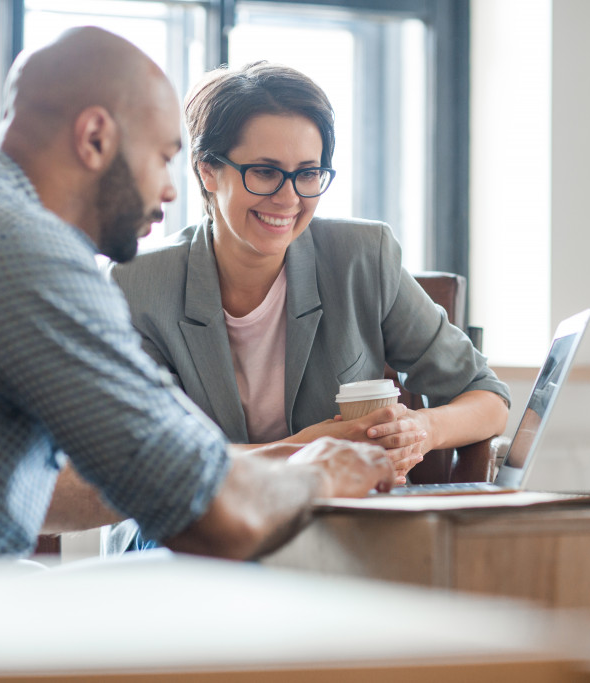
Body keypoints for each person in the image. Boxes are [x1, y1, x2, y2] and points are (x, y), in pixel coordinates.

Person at [0, 27, 393, 559]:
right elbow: (213, 519)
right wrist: (319, 473)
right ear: (95, 138)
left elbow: (70, 491)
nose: (172, 189)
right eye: (162, 156)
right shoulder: (25, 251)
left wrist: (256, 464)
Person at [106, 62, 511, 486]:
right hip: (192, 523)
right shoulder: (138, 286)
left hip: (343, 523)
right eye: (264, 172)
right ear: (208, 169)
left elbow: (487, 397)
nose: (289, 197)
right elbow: (152, 456)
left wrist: (421, 430)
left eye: (308, 173)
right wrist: (303, 451)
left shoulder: (361, 258)